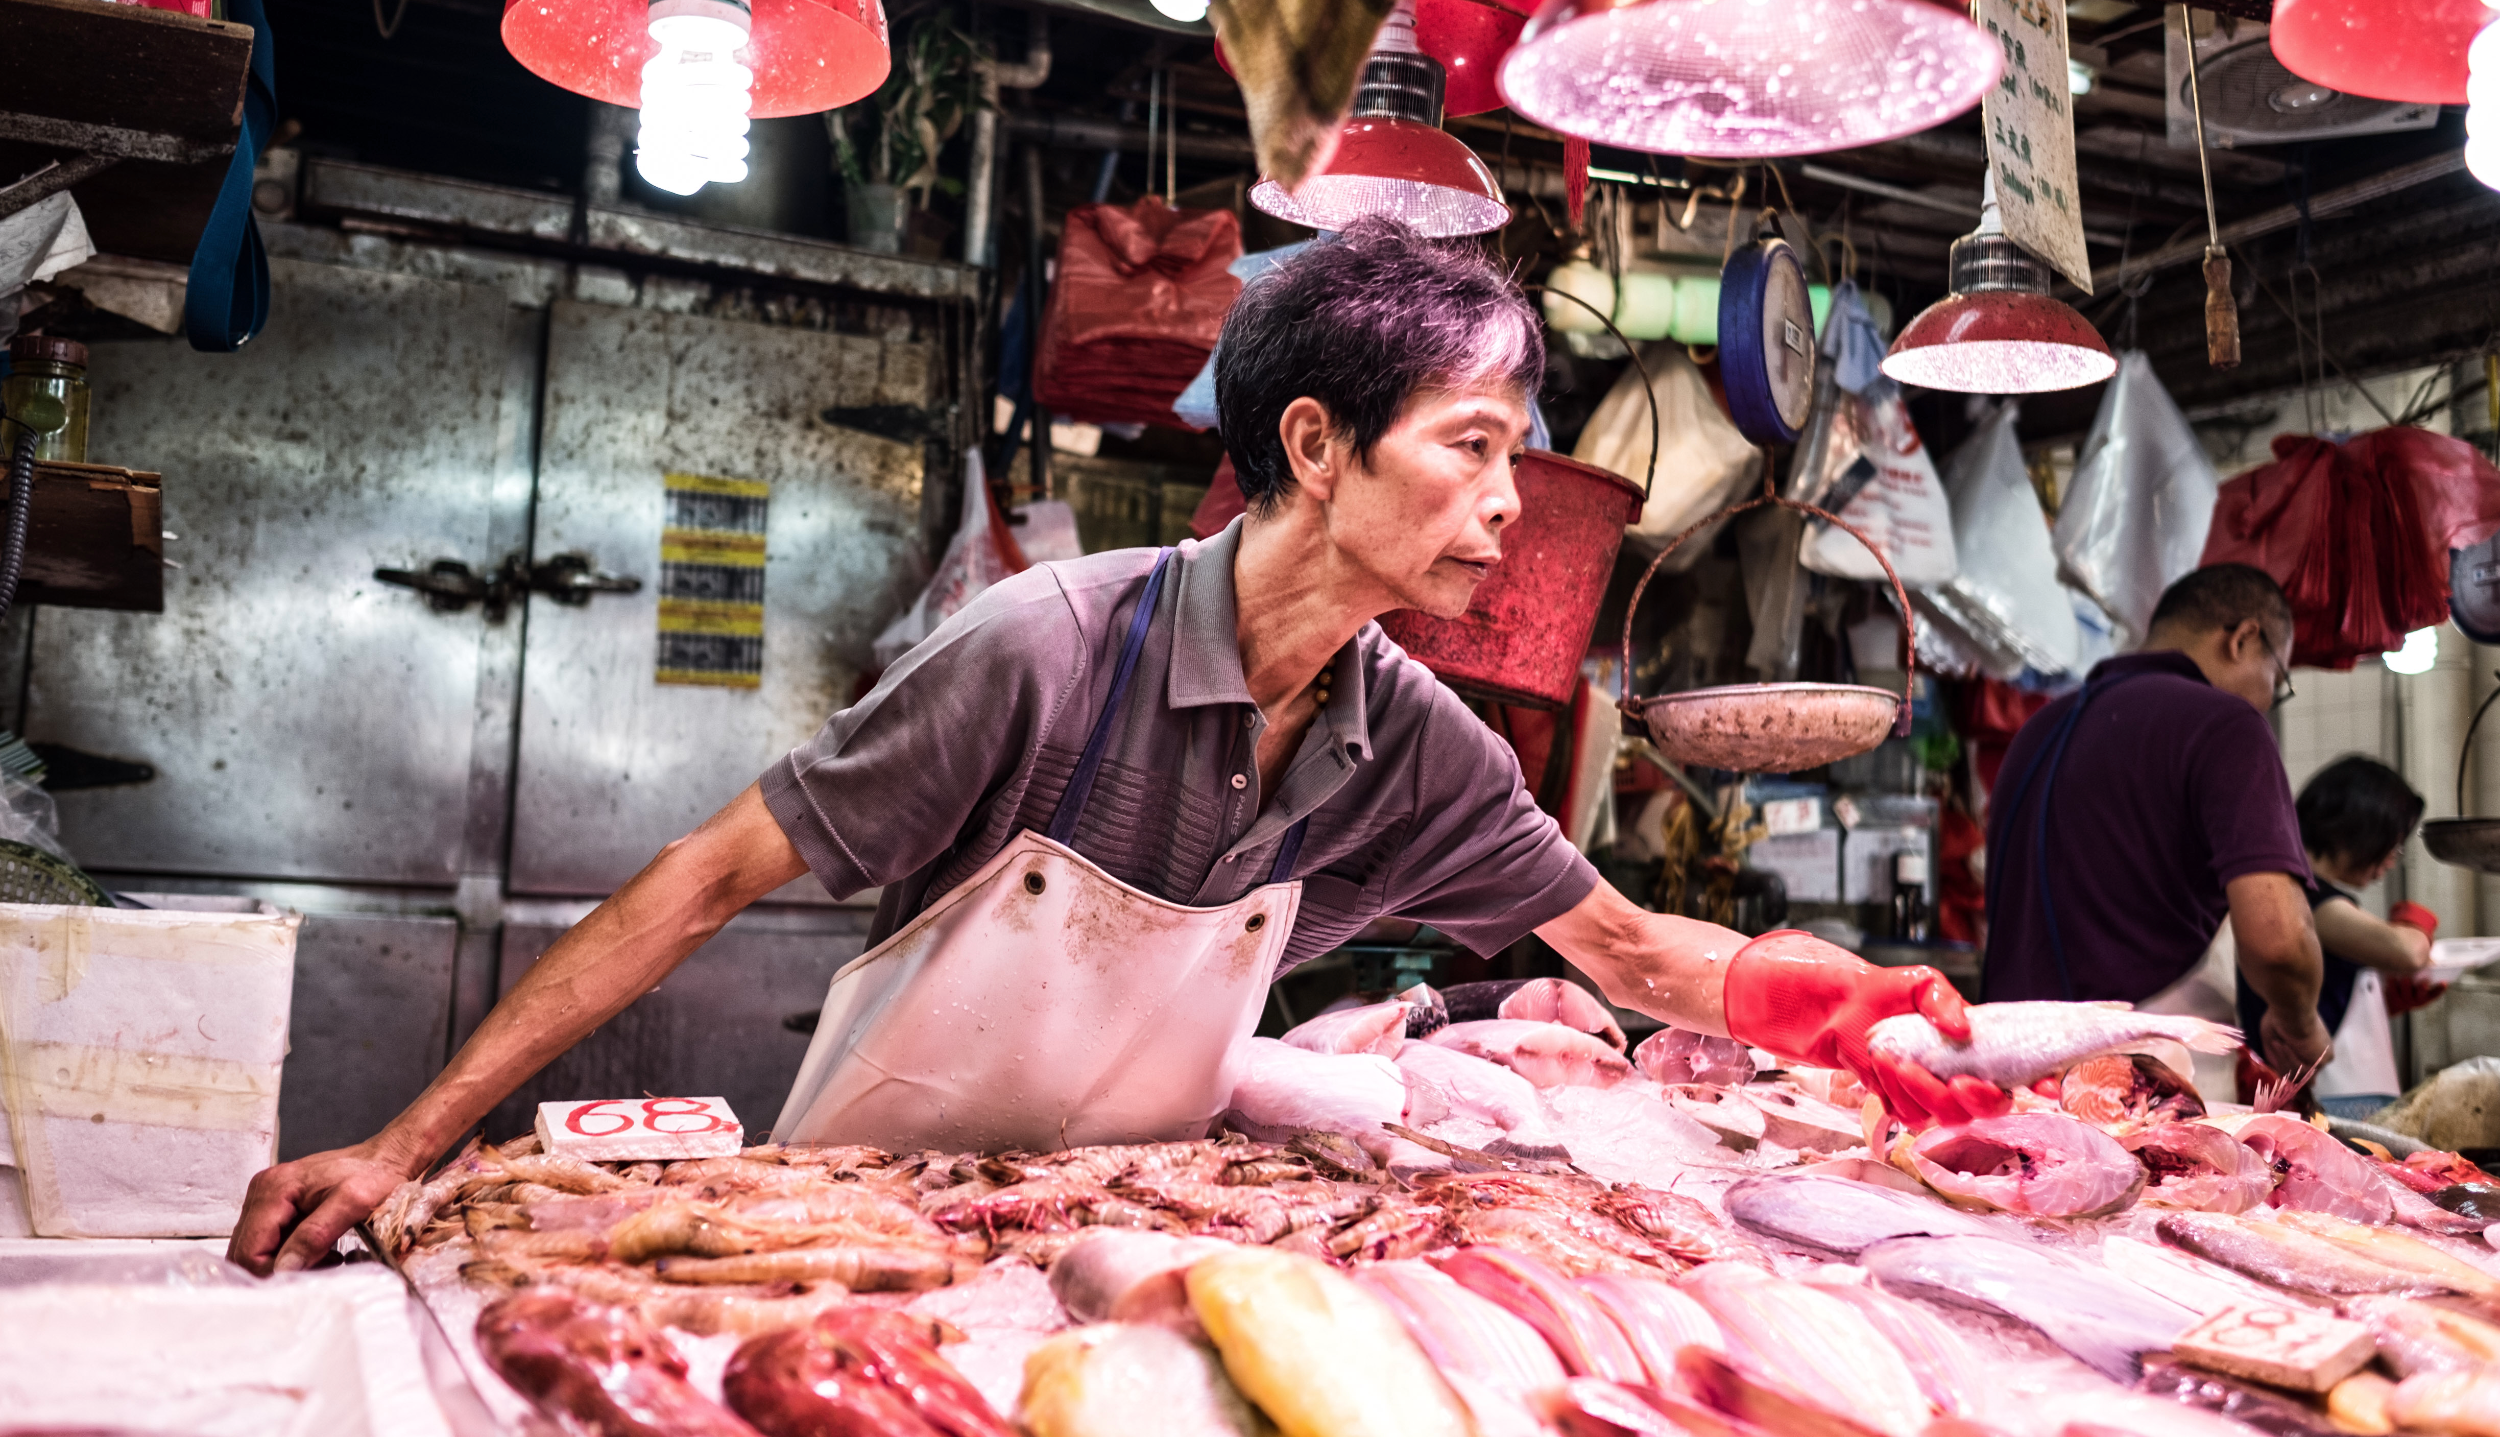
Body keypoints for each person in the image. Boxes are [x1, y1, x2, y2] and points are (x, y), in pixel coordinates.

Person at [228, 218, 1995, 1277]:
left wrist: (1810, 998)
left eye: (1514, 454)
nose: (1508, 507)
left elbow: (1615, 946)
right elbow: (706, 876)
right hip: (868, 1229)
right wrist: (407, 1143)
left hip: (1142, 1225)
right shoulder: (1044, 648)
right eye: (1469, 446)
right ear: (1319, 445)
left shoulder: (1413, 738)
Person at [1982, 563, 2329, 1081]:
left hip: (2004, 1076)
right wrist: (2301, 1023)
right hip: (2142, 1086)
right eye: (2276, 679)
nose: (2266, 699)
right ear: (2243, 639)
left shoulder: (2038, 732)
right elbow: (2277, 939)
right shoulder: (2226, 725)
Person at [2237, 755, 2435, 1120]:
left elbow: (2319, 992)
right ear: (2361, 829)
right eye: (2392, 842)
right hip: (2308, 1098)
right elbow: (2406, 951)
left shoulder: (2304, 893)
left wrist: (2382, 1001)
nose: (2393, 858)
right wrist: (2417, 923)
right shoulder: (2308, 900)